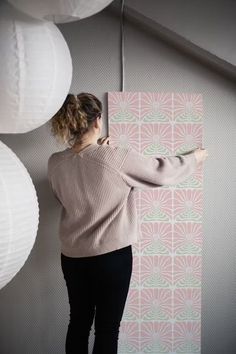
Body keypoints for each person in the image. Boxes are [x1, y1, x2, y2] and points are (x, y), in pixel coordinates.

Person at [47, 92, 208, 354]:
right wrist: (196, 157)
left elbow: (63, 195)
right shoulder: (115, 157)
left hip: (72, 259)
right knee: (107, 329)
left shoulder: (55, 163)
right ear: (97, 121)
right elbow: (161, 170)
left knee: (78, 323)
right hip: (112, 259)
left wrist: (101, 153)